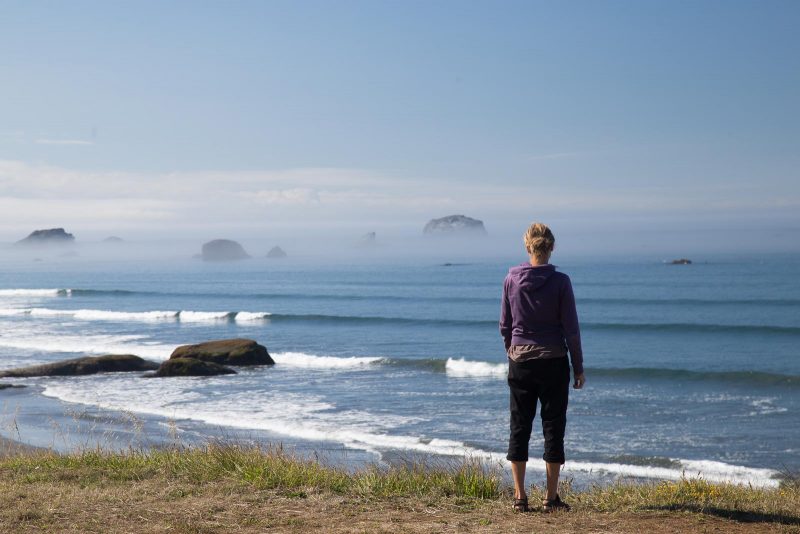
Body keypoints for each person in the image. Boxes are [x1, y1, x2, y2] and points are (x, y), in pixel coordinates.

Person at [500, 222, 585, 513]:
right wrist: (579, 366)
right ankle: (551, 498)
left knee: (519, 427)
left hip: (520, 362)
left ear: (527, 247)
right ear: (551, 247)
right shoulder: (561, 281)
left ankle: (520, 497)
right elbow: (571, 330)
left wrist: (512, 353)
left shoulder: (511, 279)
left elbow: (505, 325)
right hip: (553, 362)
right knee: (553, 428)